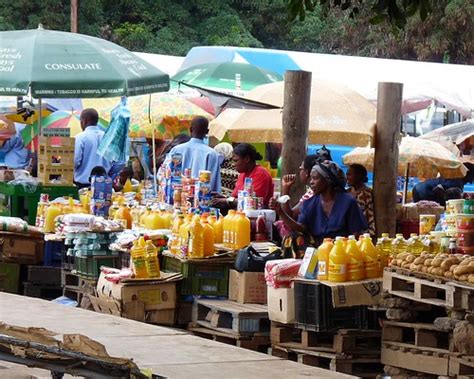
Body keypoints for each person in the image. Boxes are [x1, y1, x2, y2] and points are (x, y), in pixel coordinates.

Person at [274, 160, 367, 246]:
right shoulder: (309, 203)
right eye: (311, 179)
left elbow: (356, 234)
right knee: (291, 238)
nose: (311, 182)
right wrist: (280, 212)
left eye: (315, 178)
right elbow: (301, 228)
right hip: (317, 250)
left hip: (341, 250)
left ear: (327, 179)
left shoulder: (348, 202)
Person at [211, 143, 274, 211]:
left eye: (236, 161)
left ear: (247, 159)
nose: (233, 164)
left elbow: (251, 203)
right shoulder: (242, 174)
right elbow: (235, 197)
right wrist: (223, 197)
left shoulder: (261, 174)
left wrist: (226, 200)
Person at [167, 117, 221, 192]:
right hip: (200, 199)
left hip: (176, 197)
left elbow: (165, 173)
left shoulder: (176, 150)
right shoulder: (212, 154)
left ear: (190, 130)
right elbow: (213, 184)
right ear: (207, 131)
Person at [74, 108, 121, 189]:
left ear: (84, 121)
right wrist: (109, 175)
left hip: (84, 187)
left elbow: (75, 161)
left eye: (80, 121)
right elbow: (119, 162)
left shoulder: (80, 138)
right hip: (104, 186)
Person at [346, 164, 376, 238]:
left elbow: (369, 217)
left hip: (360, 236)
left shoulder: (366, 194)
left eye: (349, 175)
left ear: (358, 176)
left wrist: (366, 235)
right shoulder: (347, 192)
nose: (347, 177)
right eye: (347, 174)